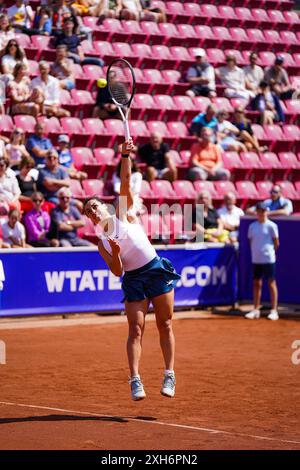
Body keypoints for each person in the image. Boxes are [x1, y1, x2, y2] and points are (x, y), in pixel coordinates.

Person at [83, 138, 180, 400]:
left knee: (166, 323)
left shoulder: (122, 213)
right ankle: (135, 379)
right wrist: (114, 253)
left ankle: (169, 374)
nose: (92, 211)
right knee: (136, 329)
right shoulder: (102, 243)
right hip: (134, 279)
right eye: (88, 211)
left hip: (156, 269)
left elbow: (125, 182)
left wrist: (124, 155)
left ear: (104, 206)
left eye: (94, 206)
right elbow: (116, 271)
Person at [245, 202, 279, 321]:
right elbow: (250, 242)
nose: (261, 213)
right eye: (259, 211)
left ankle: (274, 310)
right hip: (256, 259)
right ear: (257, 212)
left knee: (271, 283)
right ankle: (255, 309)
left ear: (266, 212)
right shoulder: (252, 226)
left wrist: (268, 252)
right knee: (257, 283)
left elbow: (276, 243)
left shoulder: (272, 226)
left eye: (263, 211)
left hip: (268, 259)